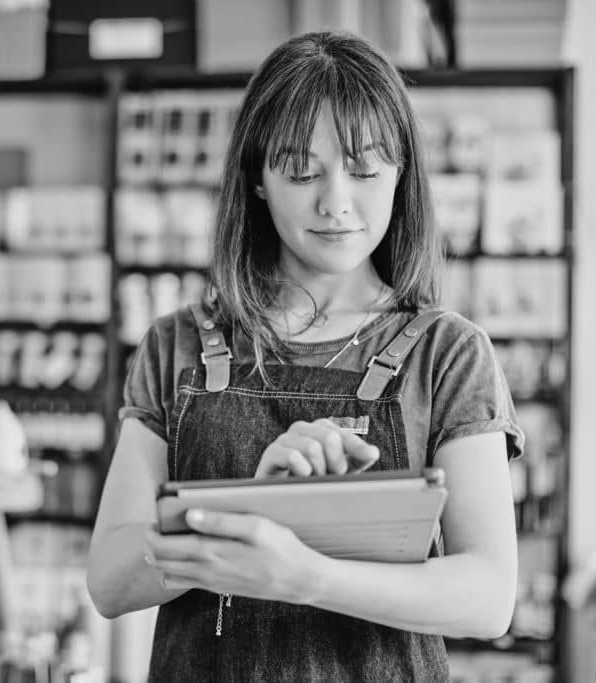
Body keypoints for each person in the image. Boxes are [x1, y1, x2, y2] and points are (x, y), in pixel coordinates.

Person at [87, 30, 524, 682]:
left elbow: (488, 595)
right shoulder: (176, 346)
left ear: (402, 173)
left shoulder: (447, 352)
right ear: (257, 179)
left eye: (366, 168)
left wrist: (305, 575)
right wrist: (250, 510)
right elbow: (111, 580)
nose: (337, 201)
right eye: (301, 171)